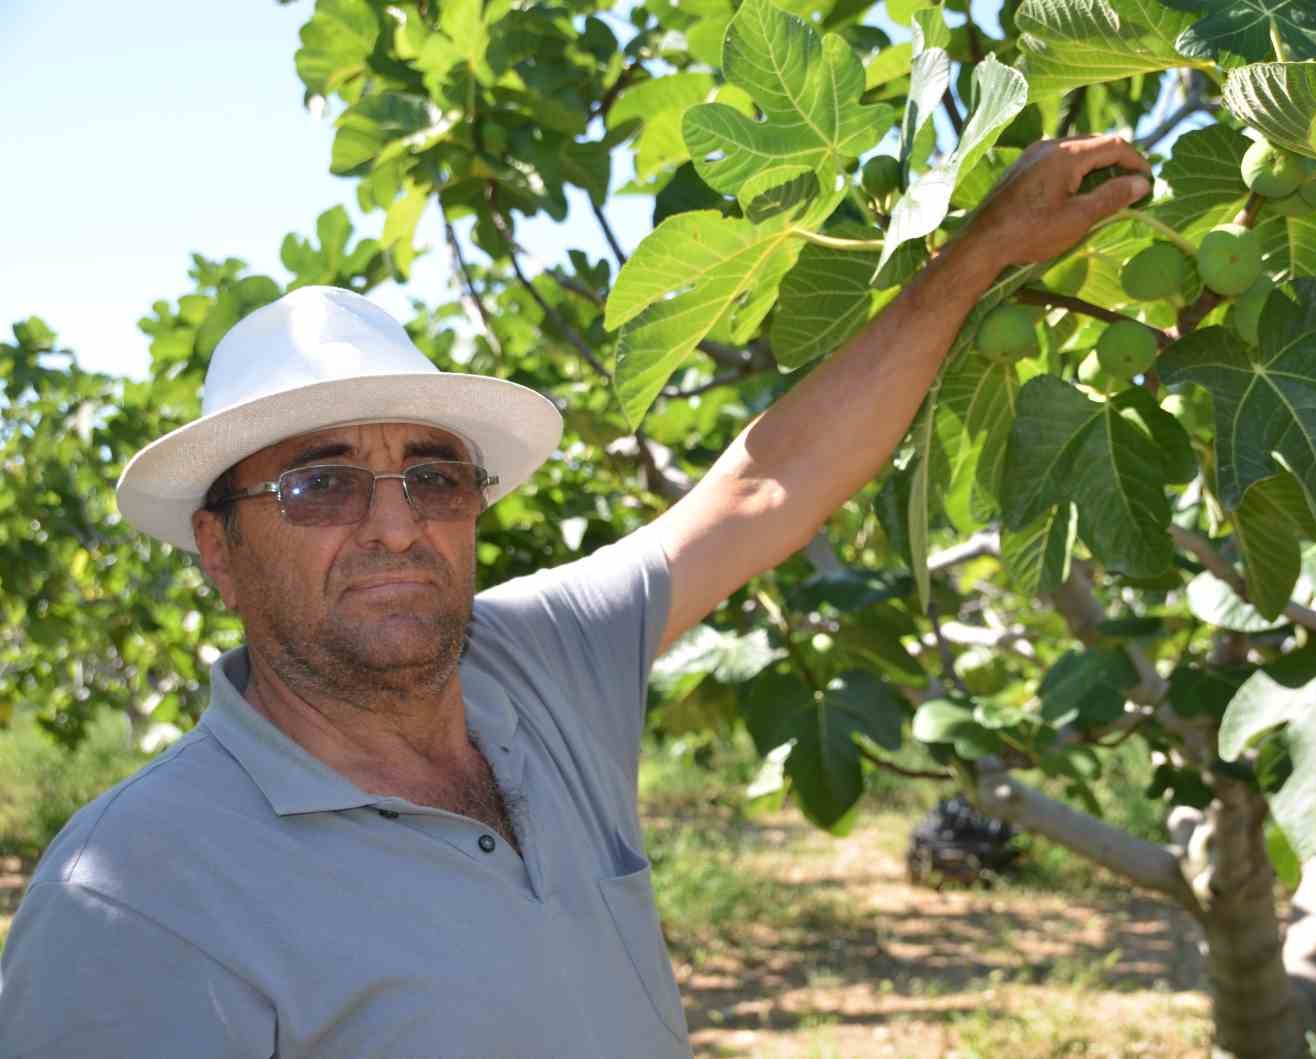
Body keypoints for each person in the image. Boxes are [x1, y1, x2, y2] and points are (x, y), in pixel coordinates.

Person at [0, 136, 1149, 1058]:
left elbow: (761, 484)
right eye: (320, 484)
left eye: (433, 474)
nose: (395, 522)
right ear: (218, 545)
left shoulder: (536, 663)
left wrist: (980, 253)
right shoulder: (138, 897)